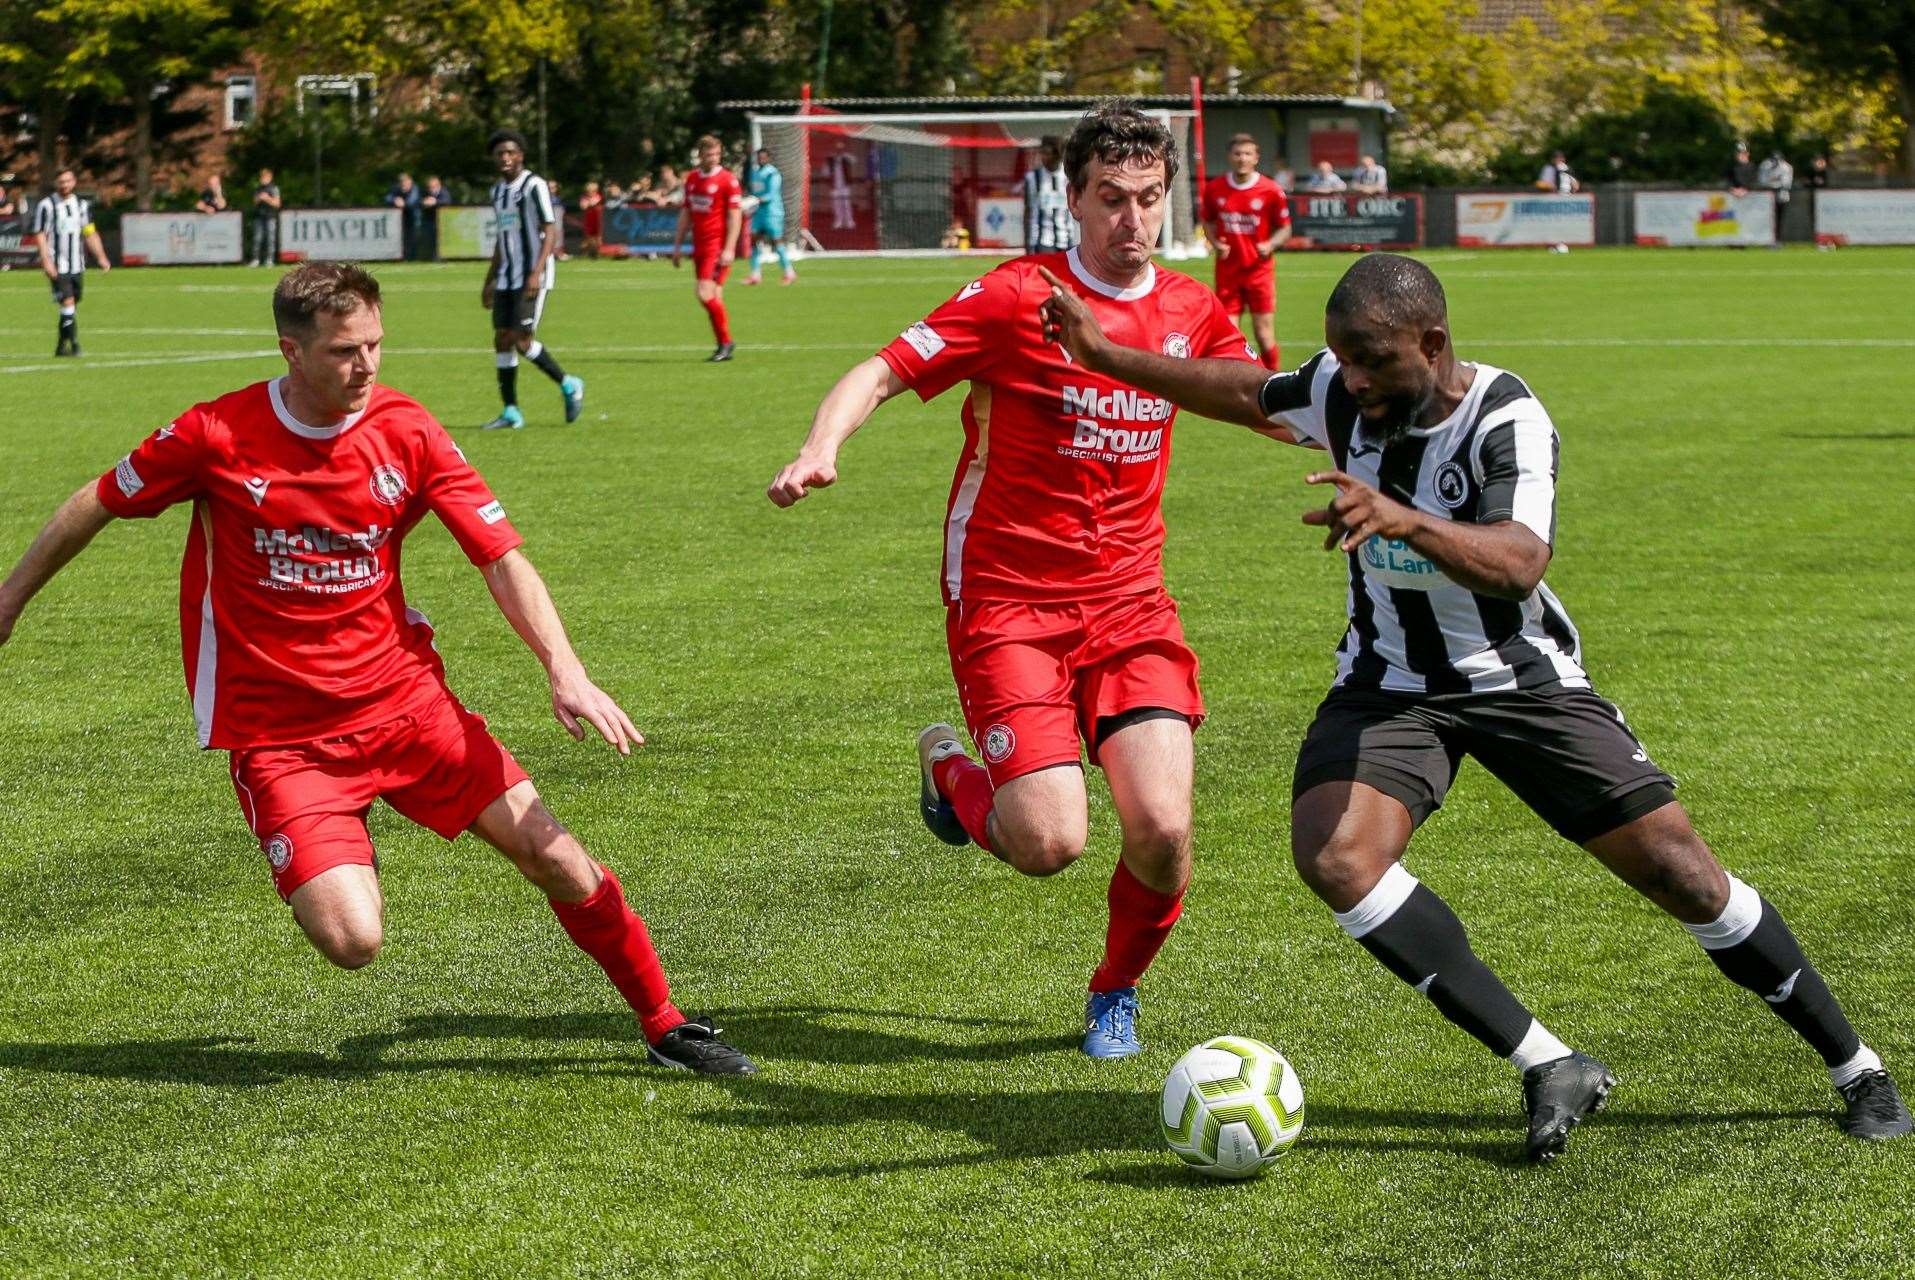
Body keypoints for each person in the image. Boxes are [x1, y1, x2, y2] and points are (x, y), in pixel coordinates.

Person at [1035, 250, 1914, 1158]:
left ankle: (1855, 1066)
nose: (1355, 380)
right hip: (1390, 687)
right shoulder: (1341, 391)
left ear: (1434, 342)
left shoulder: (1507, 417)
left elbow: (1518, 560)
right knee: (1337, 858)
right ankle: (1547, 1062)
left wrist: (1401, 517)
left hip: (1520, 684)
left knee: (1683, 874)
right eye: (1341, 360)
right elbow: (1242, 389)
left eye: (1374, 360)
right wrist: (1105, 355)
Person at [0, 262, 754, 1076]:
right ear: (291, 350)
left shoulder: (408, 430)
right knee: (353, 941)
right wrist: (8, 602)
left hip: (406, 705)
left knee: (557, 856)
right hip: (284, 738)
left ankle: (665, 1021)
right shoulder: (214, 434)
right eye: (343, 351)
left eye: (375, 345)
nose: (366, 366)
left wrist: (564, 669)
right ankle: (333, 834)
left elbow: (498, 555)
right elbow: (98, 500)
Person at [767, 99, 1261, 1059]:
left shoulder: (1188, 310)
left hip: (1129, 602)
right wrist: (819, 447)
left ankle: (1113, 992)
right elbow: (879, 370)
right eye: (1111, 200)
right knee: (1047, 847)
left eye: (1149, 201)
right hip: (1008, 602)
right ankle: (950, 770)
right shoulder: (1012, 296)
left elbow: (1258, 398)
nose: (1131, 222)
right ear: (1070, 199)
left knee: (1161, 828)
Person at [480, 129, 584, 430]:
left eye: (510, 152)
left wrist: (536, 272)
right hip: (505, 276)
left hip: (532, 274)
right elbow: (502, 238)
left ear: (520, 156)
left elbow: (550, 230)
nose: (505, 158)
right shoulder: (497, 192)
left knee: (522, 341)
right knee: (501, 339)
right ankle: (511, 411)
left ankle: (568, 383)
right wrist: (489, 280)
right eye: (500, 153)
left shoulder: (534, 185)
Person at [1201, 133, 1292, 371]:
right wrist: (1215, 243)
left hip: (1258, 272)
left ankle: (1274, 380)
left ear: (1256, 158)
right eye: (1238, 154)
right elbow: (1207, 221)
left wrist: (1270, 244)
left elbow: (1285, 228)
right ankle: (1234, 385)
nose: (1242, 158)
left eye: (1248, 154)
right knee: (1229, 334)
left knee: (1263, 334)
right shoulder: (1215, 188)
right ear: (1230, 157)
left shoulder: (1270, 190)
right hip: (1228, 272)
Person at [672, 134, 743, 362]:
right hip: (699, 246)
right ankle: (723, 345)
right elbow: (686, 213)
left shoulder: (727, 180)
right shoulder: (692, 179)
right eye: (709, 154)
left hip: (717, 246)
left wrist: (730, 248)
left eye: (717, 154)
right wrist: (677, 245)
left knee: (703, 292)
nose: (713, 158)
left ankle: (726, 343)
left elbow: (735, 216)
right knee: (714, 297)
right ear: (700, 155)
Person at [32, 168, 110, 357]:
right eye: (61, 182)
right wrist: (46, 261)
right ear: (56, 183)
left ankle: (61, 346)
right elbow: (40, 234)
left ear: (74, 182)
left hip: (77, 264)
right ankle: (74, 345)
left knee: (71, 304)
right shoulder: (47, 205)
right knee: (67, 302)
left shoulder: (82, 205)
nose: (64, 185)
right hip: (58, 264)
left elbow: (89, 232)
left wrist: (101, 257)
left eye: (67, 181)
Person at [1021, 135, 1079, 253]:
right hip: (1041, 241)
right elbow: (1027, 211)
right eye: (1042, 152)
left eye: (1047, 153)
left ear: (1058, 154)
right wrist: (1027, 243)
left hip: (1066, 239)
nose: (1044, 157)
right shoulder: (1032, 178)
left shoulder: (1070, 177)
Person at [745, 148, 795, 286]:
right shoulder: (754, 172)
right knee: (753, 241)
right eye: (759, 157)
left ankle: (789, 273)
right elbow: (753, 190)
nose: (761, 160)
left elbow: (771, 195)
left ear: (768, 158)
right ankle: (755, 275)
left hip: (772, 213)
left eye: (763, 158)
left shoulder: (773, 174)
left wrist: (754, 200)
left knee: (776, 242)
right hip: (758, 213)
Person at [388, 173, 423, 261]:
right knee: (402, 239)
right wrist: (394, 200)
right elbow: (387, 198)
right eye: (402, 182)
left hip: (414, 218)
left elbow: (412, 202)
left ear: (410, 181)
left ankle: (413, 258)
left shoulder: (415, 189)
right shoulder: (396, 188)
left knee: (413, 238)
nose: (403, 184)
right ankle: (403, 258)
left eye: (405, 182)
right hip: (400, 219)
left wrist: (403, 203)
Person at [251, 168, 281, 266]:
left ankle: (270, 260)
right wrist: (259, 198)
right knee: (257, 238)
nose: (263, 179)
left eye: (265, 177)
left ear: (270, 178)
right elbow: (254, 202)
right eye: (262, 177)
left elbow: (277, 203)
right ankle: (256, 259)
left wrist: (267, 198)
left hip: (270, 216)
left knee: (270, 239)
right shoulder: (258, 189)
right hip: (259, 217)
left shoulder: (274, 188)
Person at [825, 150, 856, 229]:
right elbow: (825, 173)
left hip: (845, 186)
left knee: (846, 204)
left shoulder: (845, 159)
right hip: (834, 186)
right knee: (836, 205)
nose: (838, 152)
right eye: (836, 150)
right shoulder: (830, 161)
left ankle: (849, 221)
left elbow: (854, 160)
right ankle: (838, 221)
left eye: (840, 150)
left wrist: (844, 154)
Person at [419, 176, 448, 261]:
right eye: (429, 187)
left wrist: (435, 202)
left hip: (442, 222)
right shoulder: (425, 192)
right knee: (429, 241)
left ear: (438, 185)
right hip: (428, 221)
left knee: (440, 242)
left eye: (433, 187)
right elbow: (418, 201)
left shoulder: (444, 192)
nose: (430, 189)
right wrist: (424, 202)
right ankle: (430, 257)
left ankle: (440, 258)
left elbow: (447, 201)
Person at [580, 180, 604, 258]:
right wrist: (589, 202)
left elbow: (593, 203)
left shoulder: (599, 196)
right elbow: (583, 206)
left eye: (593, 190)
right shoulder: (584, 197)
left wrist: (588, 202)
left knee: (598, 236)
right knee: (588, 237)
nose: (591, 192)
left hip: (597, 218)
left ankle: (597, 253)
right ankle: (588, 252)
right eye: (589, 190)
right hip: (588, 219)